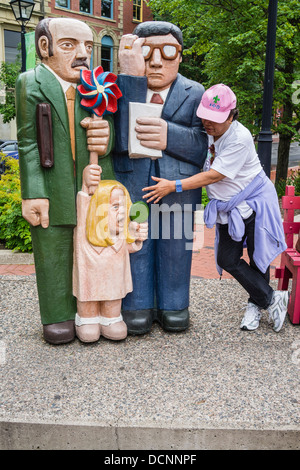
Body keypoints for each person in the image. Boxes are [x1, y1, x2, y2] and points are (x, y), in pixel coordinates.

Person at [143, 83, 289, 333]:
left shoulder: (239, 138)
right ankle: (272, 299)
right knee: (226, 258)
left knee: (258, 259)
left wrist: (173, 186)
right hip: (227, 206)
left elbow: (213, 176)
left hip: (253, 202)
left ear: (232, 115)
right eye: (205, 117)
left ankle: (256, 305)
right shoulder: (207, 132)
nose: (208, 123)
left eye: (216, 119)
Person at [15, 18, 115, 344]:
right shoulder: (31, 83)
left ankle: (86, 309)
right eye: (70, 45)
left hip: (90, 185)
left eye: (88, 46)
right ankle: (57, 313)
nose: (83, 54)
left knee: (90, 249)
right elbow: (28, 142)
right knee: (53, 248)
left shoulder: (95, 87)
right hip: (52, 183)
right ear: (45, 48)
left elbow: (108, 137)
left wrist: (105, 138)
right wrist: (33, 193)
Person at [113, 21, 208, 335]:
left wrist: (170, 136)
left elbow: (203, 146)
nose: (156, 61)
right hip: (135, 187)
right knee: (136, 241)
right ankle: (137, 304)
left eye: (167, 52)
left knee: (175, 247)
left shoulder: (195, 93)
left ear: (179, 56)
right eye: (146, 52)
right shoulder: (120, 89)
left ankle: (174, 304)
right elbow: (118, 141)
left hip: (177, 190)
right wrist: (130, 79)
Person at [73, 165, 147, 343]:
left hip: (113, 283)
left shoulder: (120, 237)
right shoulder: (85, 235)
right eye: (115, 207)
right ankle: (88, 319)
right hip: (90, 281)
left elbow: (131, 245)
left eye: (123, 206)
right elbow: (84, 204)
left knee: (113, 298)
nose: (121, 211)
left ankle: (110, 318)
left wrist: (137, 236)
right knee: (88, 299)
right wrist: (86, 184)